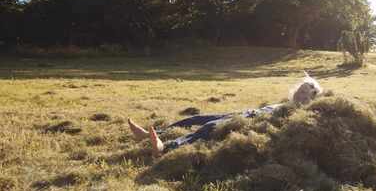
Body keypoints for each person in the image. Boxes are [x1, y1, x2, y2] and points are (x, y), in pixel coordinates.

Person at [128, 72, 323, 157]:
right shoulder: (285, 103)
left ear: (310, 99)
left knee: (208, 128)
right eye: (301, 90)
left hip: (247, 122)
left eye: (306, 93)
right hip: (242, 113)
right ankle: (151, 134)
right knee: (197, 118)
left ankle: (165, 149)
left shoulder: (295, 114)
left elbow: (269, 126)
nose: (301, 94)